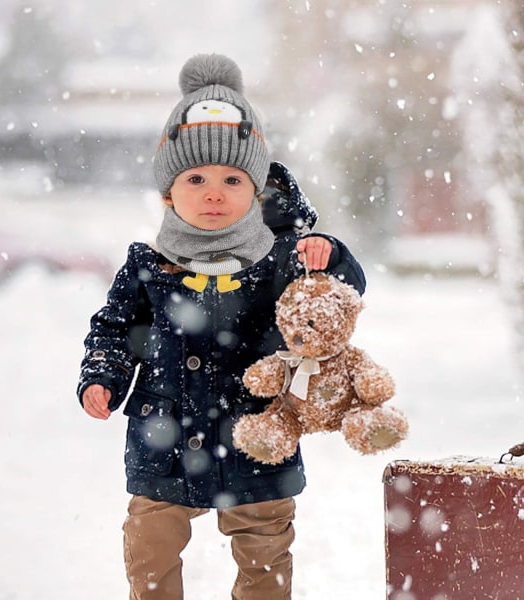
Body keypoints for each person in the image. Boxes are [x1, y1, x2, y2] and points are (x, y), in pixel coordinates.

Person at [77, 53, 366, 600]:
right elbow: (113, 331)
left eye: (234, 178)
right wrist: (103, 378)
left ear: (257, 191)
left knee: (265, 549)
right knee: (150, 545)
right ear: (168, 192)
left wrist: (330, 256)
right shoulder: (149, 265)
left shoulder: (281, 257)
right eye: (197, 177)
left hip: (256, 432)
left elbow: (334, 298)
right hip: (162, 436)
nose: (214, 192)